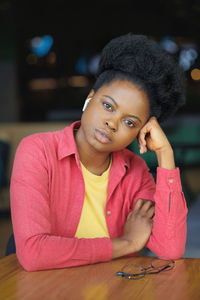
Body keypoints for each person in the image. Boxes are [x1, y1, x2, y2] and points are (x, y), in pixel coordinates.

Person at [10, 33, 188, 271]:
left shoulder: (135, 172)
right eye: (107, 106)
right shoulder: (37, 151)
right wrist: (127, 243)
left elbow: (170, 249)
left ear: (139, 132)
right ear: (89, 98)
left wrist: (165, 155)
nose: (112, 123)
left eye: (130, 123)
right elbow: (34, 253)